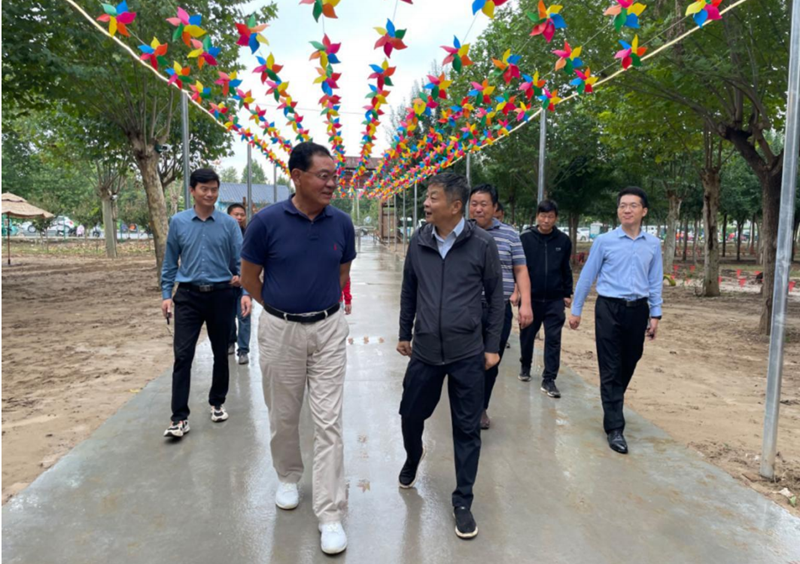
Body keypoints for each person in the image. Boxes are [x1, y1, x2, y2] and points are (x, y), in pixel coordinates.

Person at [241, 142, 355, 555]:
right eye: (323, 176)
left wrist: (318, 307)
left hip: (328, 329)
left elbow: (341, 272)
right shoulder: (265, 223)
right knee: (284, 414)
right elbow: (250, 278)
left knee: (329, 421)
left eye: (334, 176)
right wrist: (280, 308)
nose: (331, 183)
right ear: (296, 176)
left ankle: (330, 512)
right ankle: (288, 477)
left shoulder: (341, 223)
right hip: (280, 330)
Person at [397, 172, 504, 540]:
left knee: (467, 428)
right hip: (425, 350)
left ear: (455, 206)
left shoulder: (482, 244)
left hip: (467, 353)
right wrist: (404, 332)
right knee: (411, 415)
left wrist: (492, 346)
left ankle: (463, 501)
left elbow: (496, 298)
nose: (426, 203)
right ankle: (413, 456)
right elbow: (409, 288)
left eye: (433, 197)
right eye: (427, 197)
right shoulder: (419, 240)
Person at [569, 187, 663, 455]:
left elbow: (655, 280)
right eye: (623, 205)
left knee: (631, 359)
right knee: (609, 365)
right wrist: (576, 309)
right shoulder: (604, 241)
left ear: (644, 211)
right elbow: (587, 276)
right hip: (608, 308)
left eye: (633, 205)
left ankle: (612, 399)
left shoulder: (653, 244)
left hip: (638, 309)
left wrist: (655, 314)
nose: (627, 210)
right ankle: (614, 427)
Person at [160, 168, 250, 439]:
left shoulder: (229, 224)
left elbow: (240, 261)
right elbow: (170, 261)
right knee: (183, 356)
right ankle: (179, 418)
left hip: (221, 295)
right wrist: (166, 294)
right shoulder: (178, 222)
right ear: (192, 191)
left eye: (214, 189)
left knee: (221, 352)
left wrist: (245, 291)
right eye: (204, 189)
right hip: (187, 296)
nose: (210, 194)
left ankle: (217, 402)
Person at [468, 184, 533, 429]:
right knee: (467, 361)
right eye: (474, 204)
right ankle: (468, 408)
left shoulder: (510, 235)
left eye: (484, 204)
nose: (478, 209)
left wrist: (526, 304)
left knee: (491, 360)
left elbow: (520, 269)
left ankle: (481, 407)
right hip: (467, 309)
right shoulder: (462, 233)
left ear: (495, 207)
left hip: (498, 311)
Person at [519, 200, 573, 398]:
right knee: (527, 335)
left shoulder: (563, 241)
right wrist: (518, 292)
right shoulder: (525, 239)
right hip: (530, 298)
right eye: (543, 216)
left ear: (556, 218)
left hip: (554, 299)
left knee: (553, 339)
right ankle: (525, 364)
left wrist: (567, 293)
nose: (546, 220)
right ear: (537, 217)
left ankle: (549, 379)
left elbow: (565, 268)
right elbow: (519, 268)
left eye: (550, 217)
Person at [226, 203, 251, 365]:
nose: (239, 217)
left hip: (245, 283)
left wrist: (243, 278)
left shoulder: (249, 234)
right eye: (236, 214)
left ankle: (243, 350)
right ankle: (230, 341)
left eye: (242, 214)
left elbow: (253, 259)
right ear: (228, 215)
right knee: (227, 317)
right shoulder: (222, 233)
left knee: (244, 316)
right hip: (225, 282)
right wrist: (229, 277)